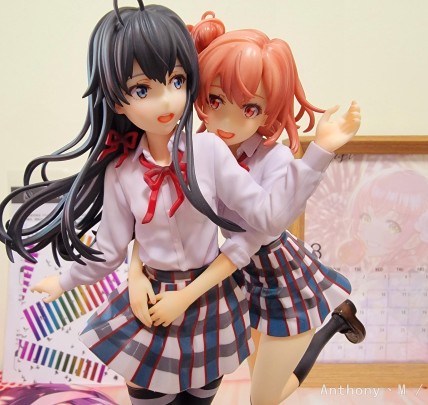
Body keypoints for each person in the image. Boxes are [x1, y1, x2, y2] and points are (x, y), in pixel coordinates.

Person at [0, 3, 347, 404]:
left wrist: (319, 153)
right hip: (152, 302)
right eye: (142, 90)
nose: (166, 101)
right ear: (117, 100)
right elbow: (111, 248)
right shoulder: (121, 172)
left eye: (176, 81)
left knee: (202, 395)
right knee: (148, 394)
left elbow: (266, 217)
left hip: (208, 299)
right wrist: (67, 280)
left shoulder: (210, 151)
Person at [130, 12, 365, 405]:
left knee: (263, 398)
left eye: (250, 108)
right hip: (240, 280)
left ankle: (334, 323)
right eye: (215, 100)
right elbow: (160, 212)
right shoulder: (198, 149)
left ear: (270, 111)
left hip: (281, 276)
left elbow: (261, 229)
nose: (226, 120)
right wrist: (135, 271)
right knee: (247, 371)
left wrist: (320, 150)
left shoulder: (274, 159)